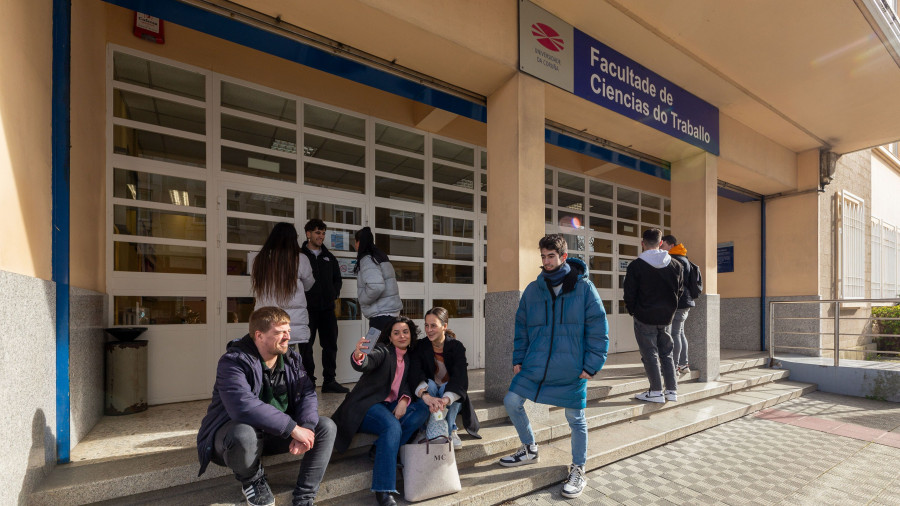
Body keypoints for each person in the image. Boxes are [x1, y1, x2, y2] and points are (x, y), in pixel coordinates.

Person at [498, 234, 609, 500]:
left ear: (563, 256)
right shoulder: (533, 289)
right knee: (512, 401)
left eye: (551, 256)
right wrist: (518, 359)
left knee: (575, 419)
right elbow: (521, 328)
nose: (547, 262)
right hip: (535, 365)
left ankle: (579, 468)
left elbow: (598, 328)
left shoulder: (584, 288)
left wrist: (592, 365)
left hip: (571, 368)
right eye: (543, 257)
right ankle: (529, 448)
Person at [196, 307, 336, 506]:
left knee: (325, 427)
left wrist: (306, 427)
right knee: (242, 434)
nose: (287, 337)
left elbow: (307, 393)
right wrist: (293, 428)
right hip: (233, 441)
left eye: (288, 331)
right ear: (259, 335)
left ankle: (305, 498)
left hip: (274, 433)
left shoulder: (292, 359)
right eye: (279, 332)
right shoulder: (233, 362)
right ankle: (252, 480)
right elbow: (242, 406)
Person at [331, 316, 430, 506]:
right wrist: (359, 356)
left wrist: (404, 399)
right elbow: (367, 362)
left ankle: (380, 449)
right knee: (392, 427)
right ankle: (383, 490)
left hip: (389, 405)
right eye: (396, 333)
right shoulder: (384, 352)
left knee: (422, 410)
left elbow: (407, 385)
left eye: (405, 332)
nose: (401, 335)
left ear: (411, 335)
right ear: (390, 338)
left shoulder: (409, 357)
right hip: (367, 406)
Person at [623, 228, 683, 405]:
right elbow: (679, 291)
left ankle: (656, 391)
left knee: (650, 354)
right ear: (660, 243)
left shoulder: (636, 266)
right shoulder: (675, 265)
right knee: (667, 353)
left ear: (643, 243)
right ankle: (672, 390)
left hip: (644, 317)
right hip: (666, 317)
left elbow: (629, 293)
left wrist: (633, 311)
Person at [408, 307, 481, 449]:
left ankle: (450, 429)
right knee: (431, 384)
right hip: (431, 392)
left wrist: (446, 399)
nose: (429, 330)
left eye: (433, 325)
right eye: (426, 325)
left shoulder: (456, 346)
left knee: (453, 390)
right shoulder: (421, 346)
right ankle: (425, 429)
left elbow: (460, 377)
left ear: (444, 326)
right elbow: (415, 373)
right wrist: (426, 396)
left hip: (448, 394)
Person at [300, 219, 349, 394]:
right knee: (306, 347)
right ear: (308, 234)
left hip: (327, 309)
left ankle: (329, 381)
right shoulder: (300, 256)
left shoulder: (329, 257)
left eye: (322, 233)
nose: (320, 236)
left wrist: (334, 293)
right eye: (317, 232)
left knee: (330, 345)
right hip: (307, 310)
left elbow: (337, 279)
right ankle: (308, 382)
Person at [251, 222, 315, 352]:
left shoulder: (261, 258)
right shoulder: (300, 259)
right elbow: (309, 284)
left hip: (265, 320)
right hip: (288, 322)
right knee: (287, 359)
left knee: (266, 360)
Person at [354, 227, 403, 333]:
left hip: (381, 315)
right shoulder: (380, 256)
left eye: (356, 242)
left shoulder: (367, 259)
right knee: (390, 347)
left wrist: (363, 300)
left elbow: (376, 287)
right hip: (391, 313)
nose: (355, 246)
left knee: (378, 348)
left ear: (359, 242)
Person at [661, 234, 694, 375]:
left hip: (678, 301)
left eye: (663, 245)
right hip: (685, 301)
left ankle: (675, 366)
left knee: (674, 334)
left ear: (670, 245)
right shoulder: (684, 258)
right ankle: (683, 364)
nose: (661, 247)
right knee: (680, 333)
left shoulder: (674, 259)